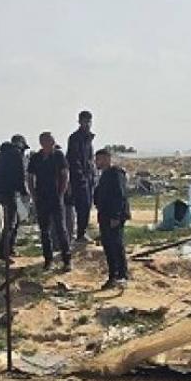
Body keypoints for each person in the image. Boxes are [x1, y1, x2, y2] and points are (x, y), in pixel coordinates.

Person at [27, 131, 71, 272]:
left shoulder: (58, 156)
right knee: (44, 231)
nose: (51, 143)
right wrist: (33, 194)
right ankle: (48, 260)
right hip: (41, 198)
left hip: (55, 197)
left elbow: (65, 175)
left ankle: (66, 260)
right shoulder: (36, 158)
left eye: (52, 140)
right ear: (42, 143)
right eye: (48, 141)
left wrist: (61, 193)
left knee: (61, 229)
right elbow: (30, 177)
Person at [93, 148, 130, 288]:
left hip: (114, 216)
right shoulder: (104, 175)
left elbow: (119, 196)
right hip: (104, 215)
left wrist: (116, 216)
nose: (97, 162)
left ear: (107, 159)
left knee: (116, 245)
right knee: (108, 246)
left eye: (99, 159)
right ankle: (112, 275)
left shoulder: (115, 174)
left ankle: (122, 275)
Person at [0, 134, 30, 260]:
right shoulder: (16, 154)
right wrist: (24, 191)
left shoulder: (0, 155)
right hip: (9, 192)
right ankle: (4, 251)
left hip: (0, 192)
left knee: (13, 220)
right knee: (11, 223)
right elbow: (20, 175)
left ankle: (8, 249)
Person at [66, 110, 97, 243]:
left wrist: (92, 174)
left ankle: (81, 232)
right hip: (79, 178)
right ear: (80, 122)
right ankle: (80, 234)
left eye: (89, 121)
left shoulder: (88, 138)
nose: (87, 124)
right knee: (82, 206)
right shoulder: (75, 138)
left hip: (88, 177)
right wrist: (80, 177)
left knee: (87, 206)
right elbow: (74, 159)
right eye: (85, 121)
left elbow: (90, 159)